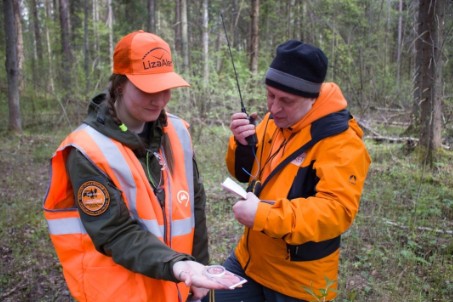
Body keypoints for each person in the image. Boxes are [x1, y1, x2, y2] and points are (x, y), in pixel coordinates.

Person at [43, 30, 236, 302]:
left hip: (177, 286)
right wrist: (179, 265)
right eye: (148, 90)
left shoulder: (177, 132)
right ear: (120, 85)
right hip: (121, 292)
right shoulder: (86, 149)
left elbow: (195, 207)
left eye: (165, 88)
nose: (159, 99)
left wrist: (197, 271)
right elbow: (115, 232)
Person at [212, 40, 371, 301]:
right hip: (250, 262)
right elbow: (246, 172)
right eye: (270, 95)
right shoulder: (274, 121)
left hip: (298, 283)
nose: (273, 108)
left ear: (312, 99)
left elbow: (336, 212)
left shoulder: (341, 142)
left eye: (285, 100)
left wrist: (263, 215)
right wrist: (241, 145)